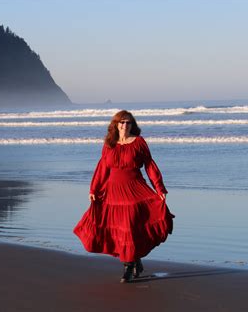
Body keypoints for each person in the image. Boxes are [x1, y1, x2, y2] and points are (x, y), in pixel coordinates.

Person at [73, 110, 175, 283]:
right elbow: (102, 168)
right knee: (120, 228)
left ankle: (128, 267)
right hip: (112, 190)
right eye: (121, 122)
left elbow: (150, 166)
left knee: (130, 226)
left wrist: (159, 188)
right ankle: (134, 261)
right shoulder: (109, 144)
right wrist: (94, 189)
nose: (124, 125)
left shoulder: (139, 142)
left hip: (135, 188)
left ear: (132, 125)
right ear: (116, 124)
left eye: (128, 122)